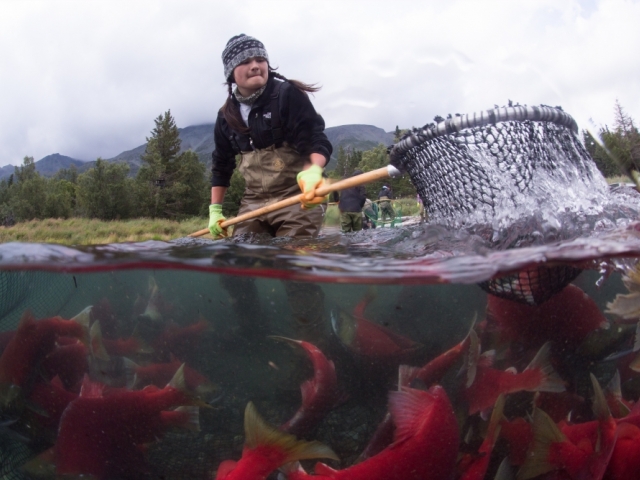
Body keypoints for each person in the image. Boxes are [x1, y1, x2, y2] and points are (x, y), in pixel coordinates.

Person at [208, 34, 332, 341]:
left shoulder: (287, 95)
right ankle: (252, 326)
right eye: (245, 61)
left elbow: (317, 140)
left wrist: (313, 170)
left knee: (293, 268)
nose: (254, 65)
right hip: (254, 202)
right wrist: (215, 211)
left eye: (259, 59)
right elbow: (221, 165)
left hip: (298, 197)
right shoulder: (226, 117)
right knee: (230, 263)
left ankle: (316, 345)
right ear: (230, 73)